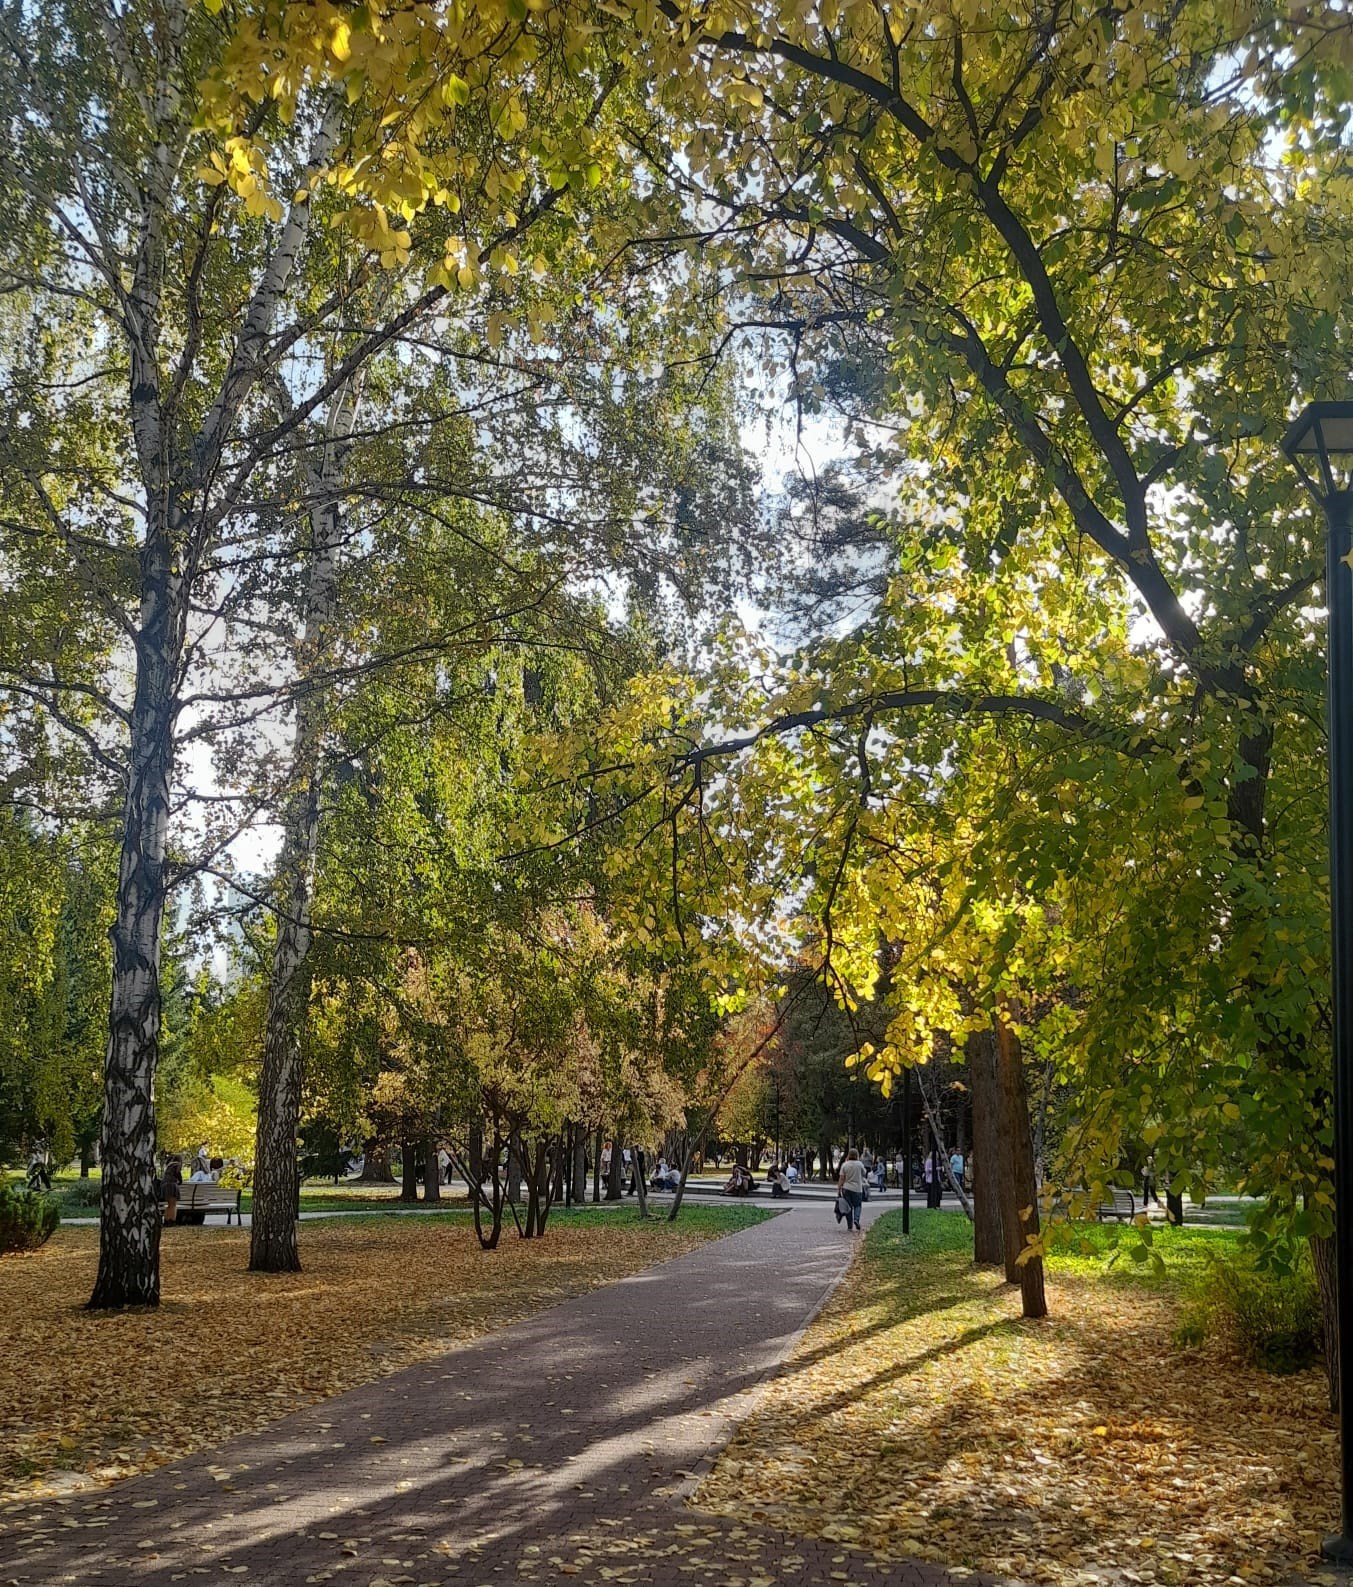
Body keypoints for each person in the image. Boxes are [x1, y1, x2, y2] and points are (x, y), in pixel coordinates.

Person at [838, 1147, 866, 1232]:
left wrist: (839, 1187)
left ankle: (849, 1226)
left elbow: (842, 1178)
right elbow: (864, 1173)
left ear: (848, 1155)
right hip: (857, 1188)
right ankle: (856, 1219)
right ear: (857, 1155)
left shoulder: (845, 1164)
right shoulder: (860, 1164)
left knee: (848, 1207)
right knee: (857, 1205)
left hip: (846, 1188)